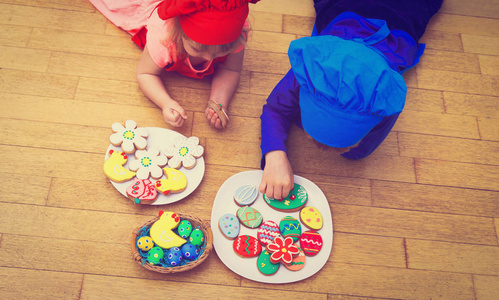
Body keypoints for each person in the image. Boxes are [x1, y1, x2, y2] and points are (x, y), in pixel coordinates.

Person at [259, 0, 443, 199]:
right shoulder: (312, 70)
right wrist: (274, 154)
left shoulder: (314, 72)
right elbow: (276, 110)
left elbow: (359, 152)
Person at [89, 0, 260, 129]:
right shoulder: (165, 36)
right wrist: (165, 102)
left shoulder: (236, 36)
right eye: (197, 49)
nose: (209, 58)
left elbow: (231, 69)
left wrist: (218, 101)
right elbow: (145, 74)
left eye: (219, 52)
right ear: (180, 33)